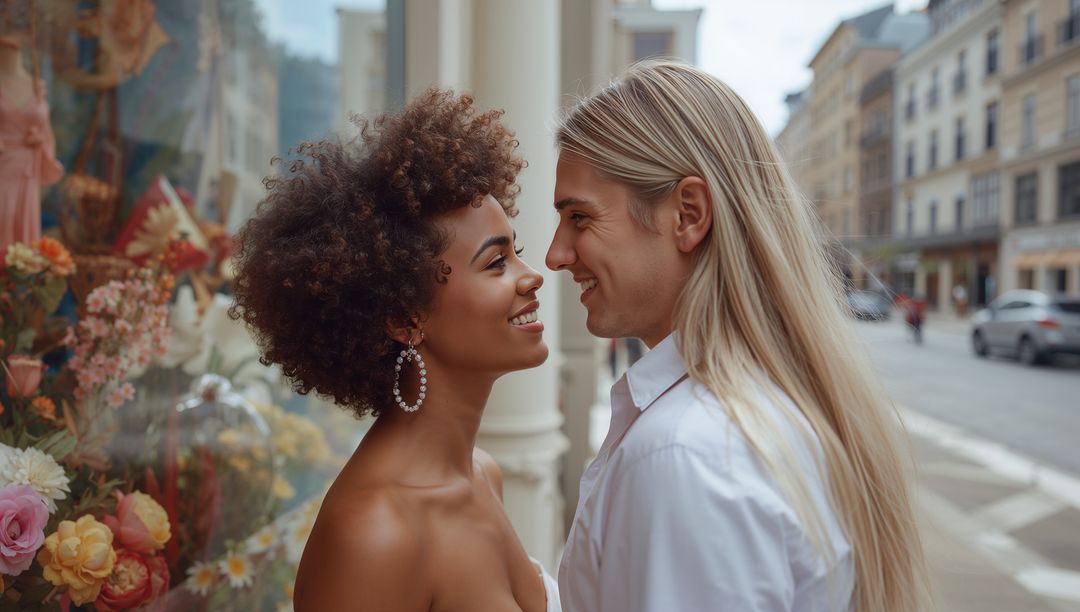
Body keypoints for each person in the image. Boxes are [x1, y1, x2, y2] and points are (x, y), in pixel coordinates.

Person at [547, 61, 930, 612]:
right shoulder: (759, 415)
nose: (555, 255)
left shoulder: (685, 458)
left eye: (579, 218)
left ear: (688, 214)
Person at [229, 89, 559, 612]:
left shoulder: (482, 474)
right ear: (407, 318)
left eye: (515, 251)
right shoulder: (374, 533)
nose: (532, 275)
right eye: (497, 263)